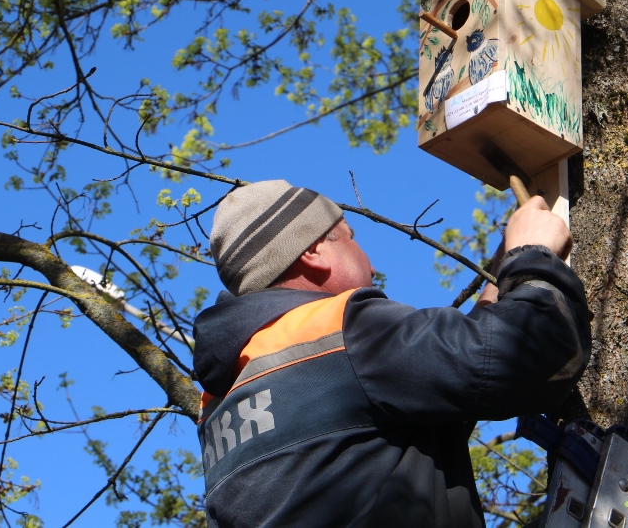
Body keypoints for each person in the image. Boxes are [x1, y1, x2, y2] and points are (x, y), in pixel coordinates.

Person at [194, 179, 591, 528]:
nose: (370, 260)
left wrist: (506, 265)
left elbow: (437, 403)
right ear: (314, 251)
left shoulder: (220, 405)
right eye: (350, 236)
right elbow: (537, 350)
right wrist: (534, 253)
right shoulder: (340, 331)